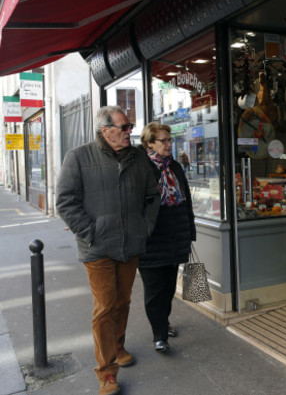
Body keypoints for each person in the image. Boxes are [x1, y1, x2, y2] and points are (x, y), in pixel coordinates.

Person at [56, 106, 160, 395]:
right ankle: (106, 372)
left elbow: (153, 195)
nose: (130, 132)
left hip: (130, 244)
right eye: (124, 127)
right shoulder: (78, 157)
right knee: (104, 307)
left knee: (122, 301)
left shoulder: (138, 157)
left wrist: (144, 227)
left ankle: (118, 345)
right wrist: (91, 233)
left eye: (130, 127)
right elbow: (65, 202)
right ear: (105, 130)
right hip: (97, 247)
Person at [138, 122, 195, 353]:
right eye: (163, 140)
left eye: (170, 140)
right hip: (151, 240)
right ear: (149, 142)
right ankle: (159, 335)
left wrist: (190, 232)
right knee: (154, 291)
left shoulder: (175, 167)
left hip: (175, 237)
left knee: (170, 288)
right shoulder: (141, 168)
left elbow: (187, 201)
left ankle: (164, 322)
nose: (168, 144)